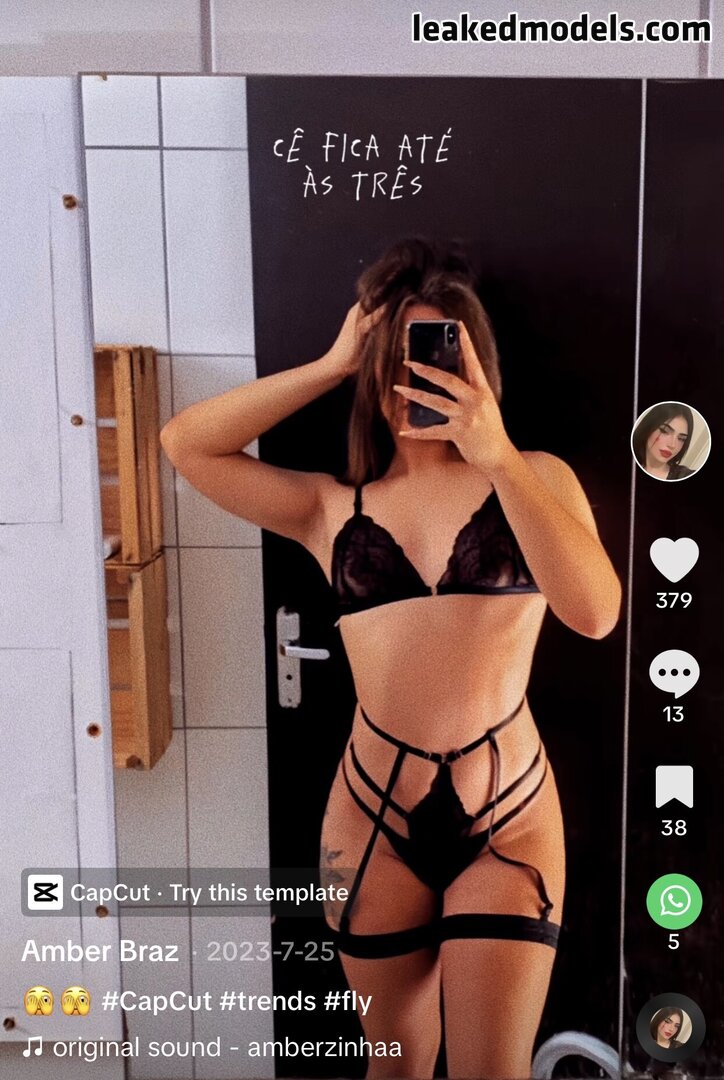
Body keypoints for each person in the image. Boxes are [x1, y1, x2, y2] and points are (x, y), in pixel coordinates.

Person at [160, 238, 621, 1079]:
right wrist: (333, 363)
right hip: (371, 814)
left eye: (437, 356)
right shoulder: (328, 506)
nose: (415, 380)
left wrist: (494, 450)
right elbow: (186, 444)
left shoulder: (535, 478)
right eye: (396, 360)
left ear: (476, 367)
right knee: (396, 1066)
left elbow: (595, 615)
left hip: (508, 815)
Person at [632, 402, 696, 480]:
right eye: (664, 431)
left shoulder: (684, 476)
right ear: (648, 427)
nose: (672, 445)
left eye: (681, 439)